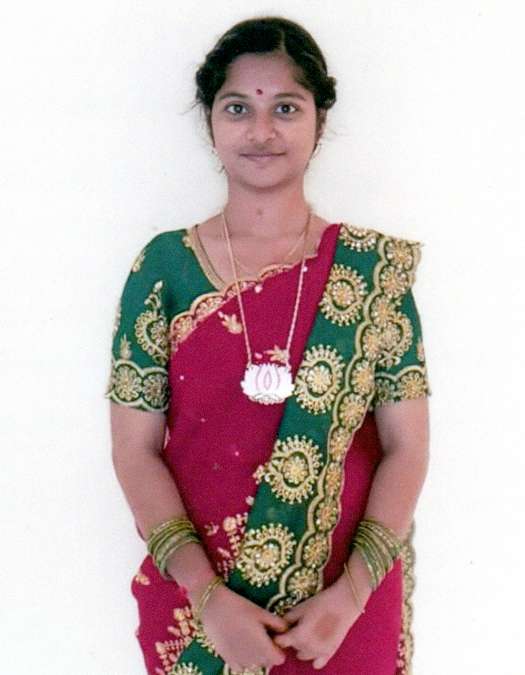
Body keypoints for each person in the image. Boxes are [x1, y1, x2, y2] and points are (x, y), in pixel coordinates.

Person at [105, 15, 431, 675]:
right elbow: (134, 450)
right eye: (238, 108)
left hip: (343, 612)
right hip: (202, 614)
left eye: (285, 107)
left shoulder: (369, 274)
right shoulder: (163, 268)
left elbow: (408, 446)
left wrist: (351, 596)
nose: (261, 131)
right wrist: (208, 598)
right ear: (210, 122)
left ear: (318, 120)